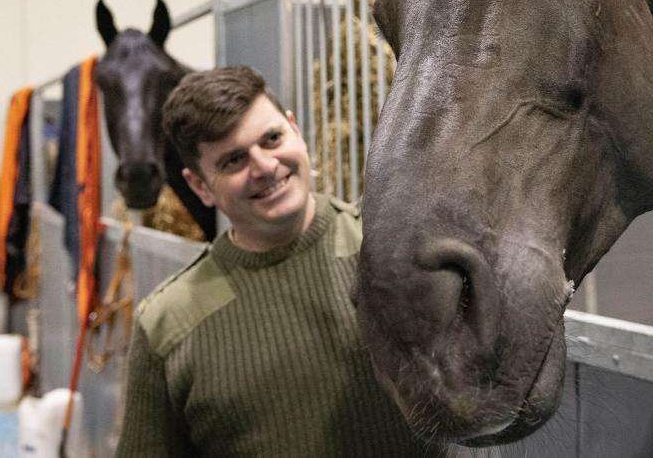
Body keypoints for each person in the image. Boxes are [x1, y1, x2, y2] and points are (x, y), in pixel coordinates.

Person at [115, 66, 439, 456]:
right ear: (200, 186)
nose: (265, 167)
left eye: (271, 139)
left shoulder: (396, 243)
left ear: (295, 130)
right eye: (234, 160)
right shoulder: (169, 324)